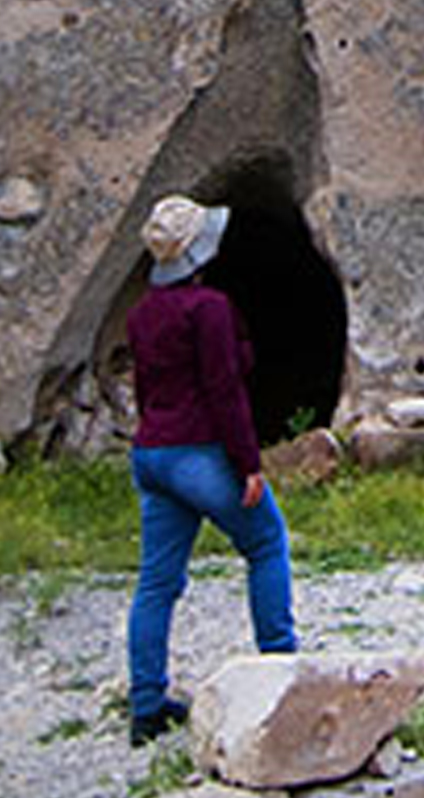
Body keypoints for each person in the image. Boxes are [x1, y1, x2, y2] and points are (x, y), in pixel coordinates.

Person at [122, 194, 296, 740]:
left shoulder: (141, 314)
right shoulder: (209, 308)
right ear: (198, 249)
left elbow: (145, 388)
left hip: (151, 452)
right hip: (198, 452)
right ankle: (280, 672)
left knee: (156, 582)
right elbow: (225, 390)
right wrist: (248, 463)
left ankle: (145, 704)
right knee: (266, 543)